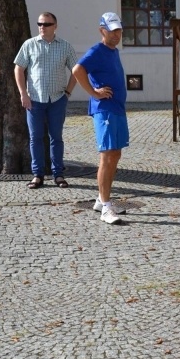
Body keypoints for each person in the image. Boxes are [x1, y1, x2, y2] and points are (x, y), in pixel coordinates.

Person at [72, 12, 130, 225]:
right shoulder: (96, 51)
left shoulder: (113, 51)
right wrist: (94, 92)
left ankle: (101, 200)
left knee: (115, 154)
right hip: (104, 110)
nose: (117, 35)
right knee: (107, 156)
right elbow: (78, 70)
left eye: (119, 30)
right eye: (112, 30)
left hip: (116, 108)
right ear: (102, 30)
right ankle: (106, 206)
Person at [14, 12, 78, 189]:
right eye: (40, 24)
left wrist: (68, 93)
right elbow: (18, 69)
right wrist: (23, 94)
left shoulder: (65, 46)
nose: (42, 27)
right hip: (34, 100)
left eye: (47, 24)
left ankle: (58, 174)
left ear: (55, 26)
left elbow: (77, 70)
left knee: (56, 137)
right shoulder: (29, 45)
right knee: (35, 138)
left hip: (57, 99)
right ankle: (38, 175)